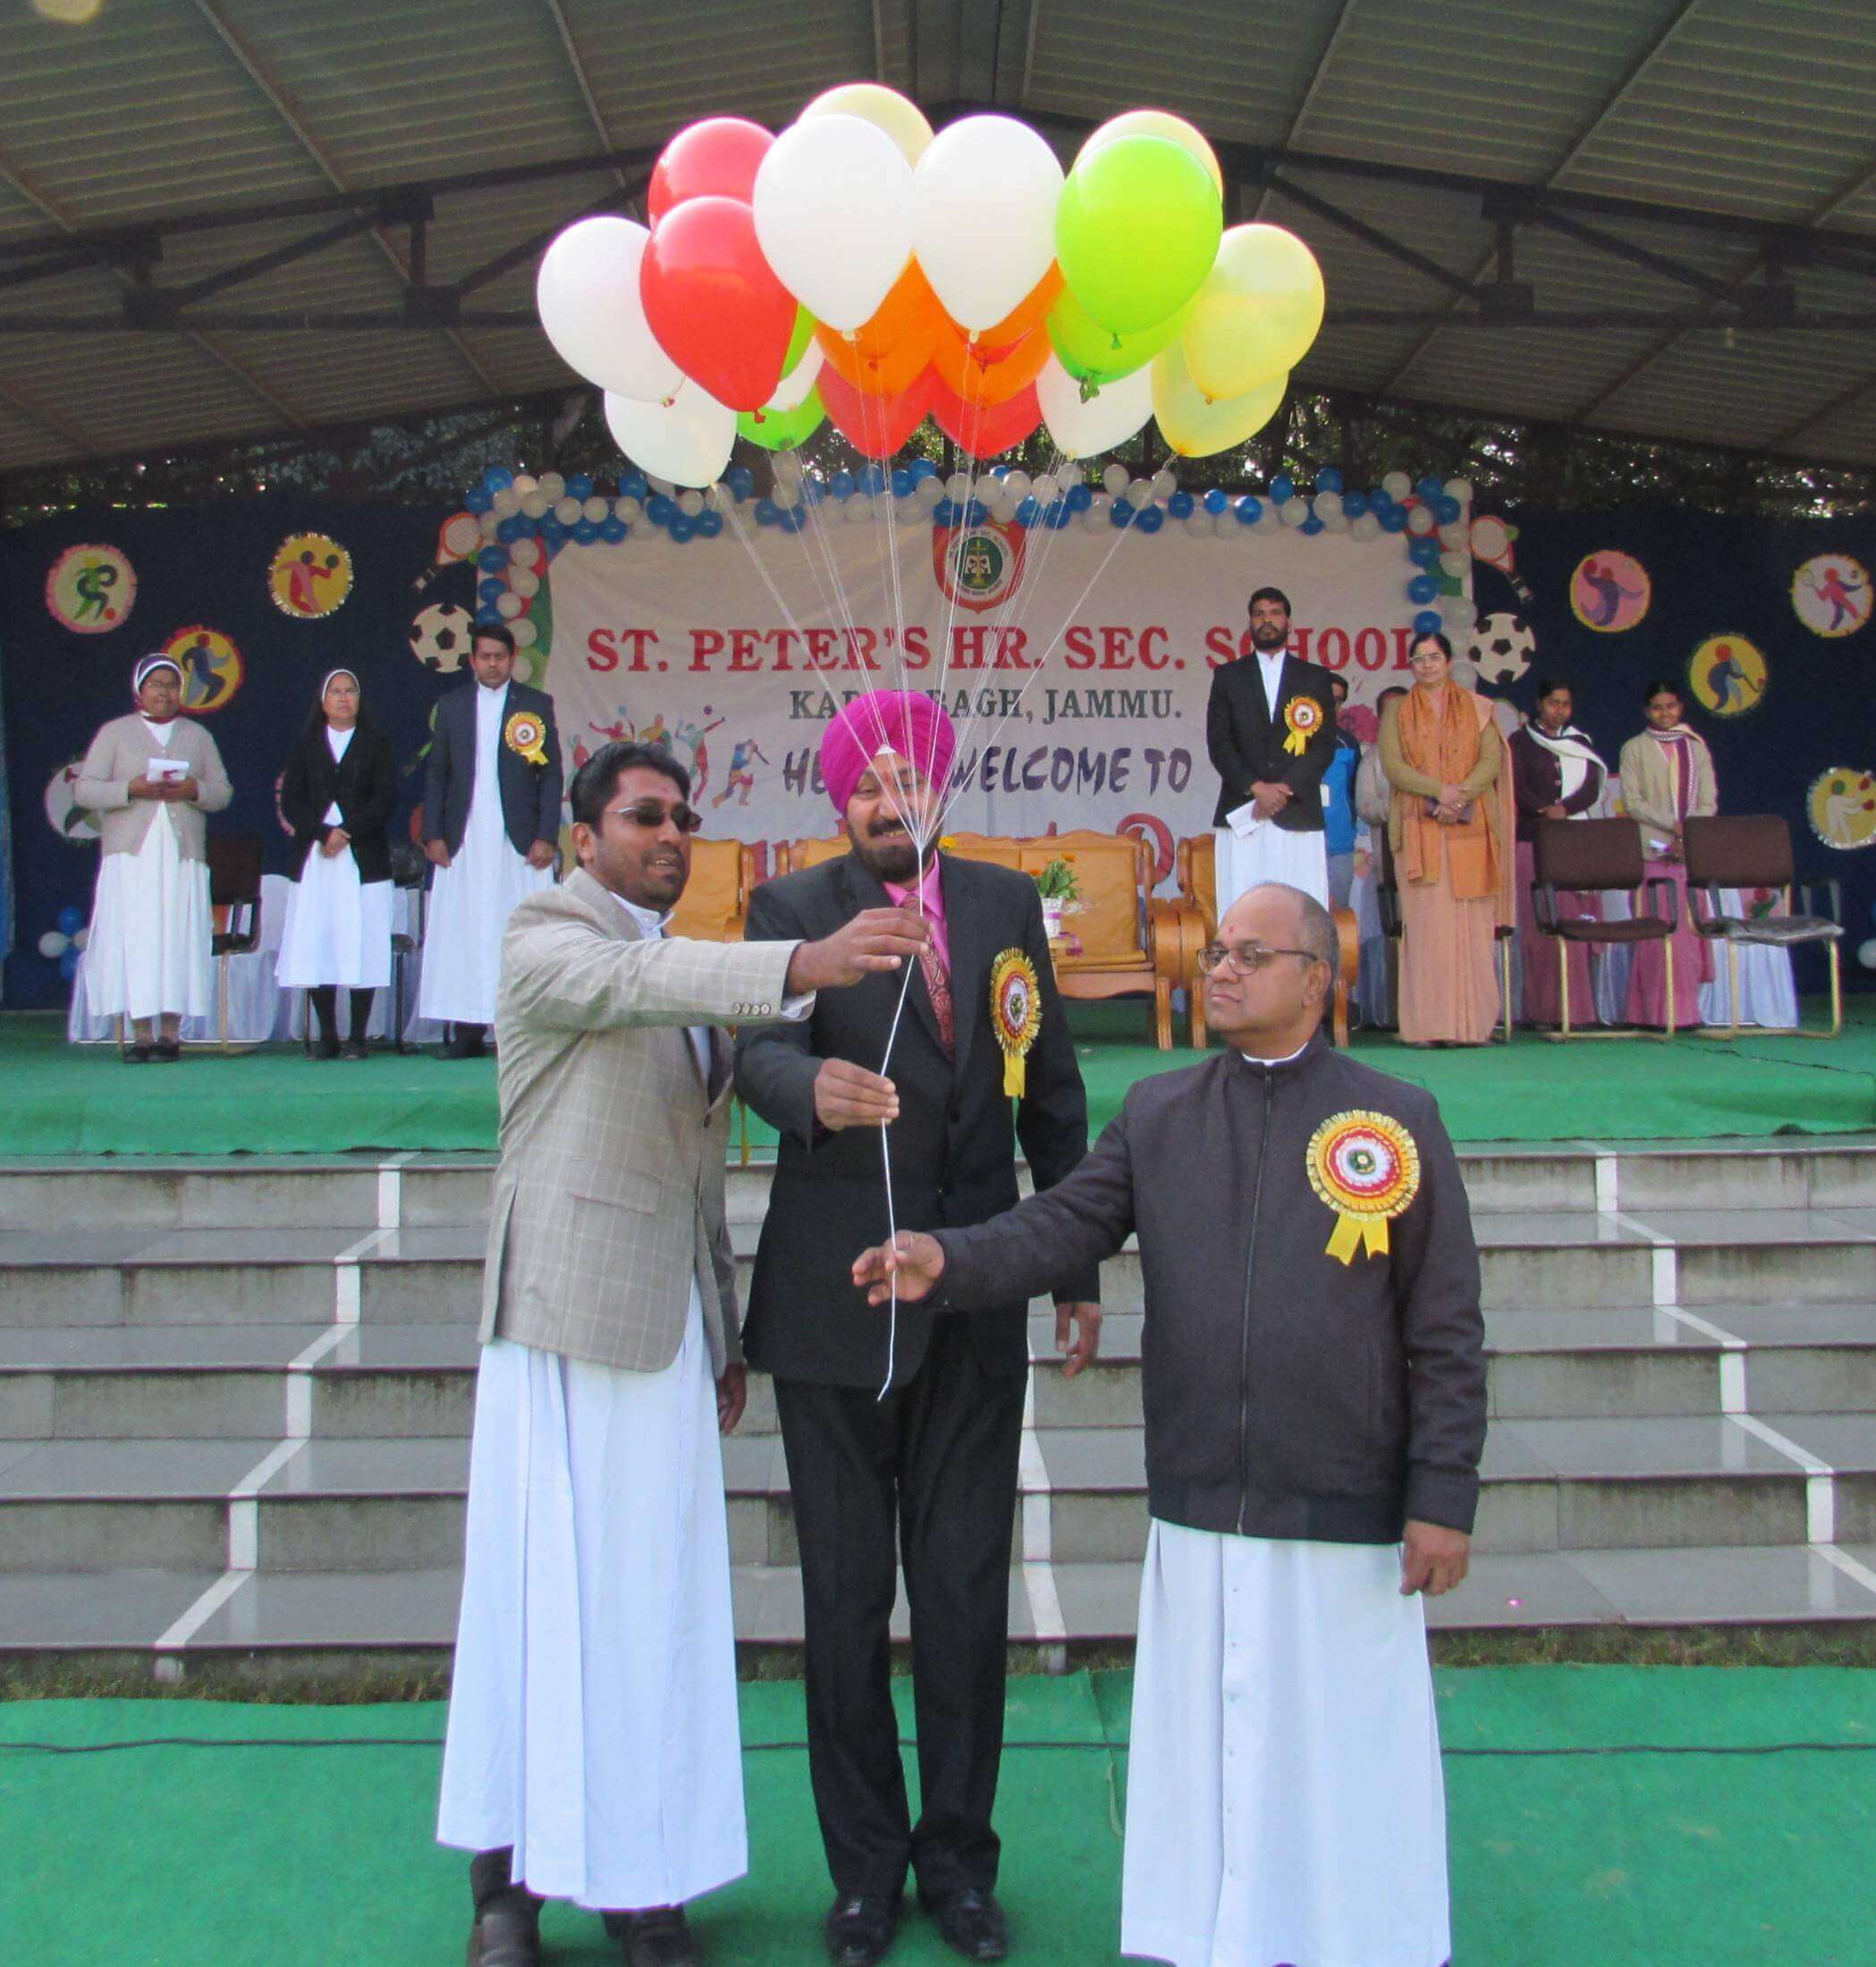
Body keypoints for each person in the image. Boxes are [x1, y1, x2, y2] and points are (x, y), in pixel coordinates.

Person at [853, 880, 1485, 1967]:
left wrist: (1441, 1498)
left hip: (1347, 1505)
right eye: (1216, 951)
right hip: (1200, 1497)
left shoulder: (1399, 1119)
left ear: (1316, 981)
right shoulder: (1158, 1113)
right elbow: (1059, 1227)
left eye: (1250, 953)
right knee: (1209, 1747)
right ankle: (1210, 1936)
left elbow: (1445, 1325)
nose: (1220, 968)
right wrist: (948, 1257)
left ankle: (1361, 1939)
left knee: (1344, 1754)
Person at [436, 739, 931, 1967]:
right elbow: (624, 990)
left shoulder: (668, 966)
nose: (670, 834)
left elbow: (695, 1177)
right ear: (581, 833)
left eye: (684, 818)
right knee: (535, 1606)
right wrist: (803, 964)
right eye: (644, 815)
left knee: (650, 1612)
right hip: (559, 1324)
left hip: (661, 1339)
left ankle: (641, 1881)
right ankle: (508, 1890)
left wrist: (719, 1330)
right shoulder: (543, 933)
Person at [734, 692, 1100, 1967]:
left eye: (906, 781)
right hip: (830, 1305)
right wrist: (810, 1095)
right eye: (861, 787)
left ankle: (957, 1863)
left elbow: (1047, 1085)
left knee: (959, 1596)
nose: (886, 803)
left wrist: (1074, 1269)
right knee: (843, 1603)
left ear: (939, 790)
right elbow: (750, 1050)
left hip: (973, 1300)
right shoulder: (789, 908)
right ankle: (860, 1875)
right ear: (837, 805)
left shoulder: (1000, 908)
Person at [73, 655, 232, 1062]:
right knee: (137, 939)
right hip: (132, 857)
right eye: (156, 684)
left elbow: (223, 792)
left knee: (175, 937)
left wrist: (194, 790)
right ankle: (140, 1034)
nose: (164, 692)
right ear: (139, 690)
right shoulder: (116, 733)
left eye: (171, 684)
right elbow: (85, 790)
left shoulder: (197, 736)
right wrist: (131, 788)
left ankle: (170, 1034)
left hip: (182, 857)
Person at [419, 623, 563, 1057]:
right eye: (485, 656)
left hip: (516, 842)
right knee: (464, 929)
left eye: (500, 656)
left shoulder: (535, 705)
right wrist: (433, 834)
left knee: (515, 929)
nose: (493, 663)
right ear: (472, 660)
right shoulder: (452, 706)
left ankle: (518, 1032)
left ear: (511, 658)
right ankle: (466, 1032)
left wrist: (545, 835)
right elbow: (438, 773)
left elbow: (550, 772)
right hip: (463, 837)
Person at [1379, 631, 1514, 1045]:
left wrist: (1460, 795)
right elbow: (1393, 765)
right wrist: (1440, 792)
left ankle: (1471, 1028)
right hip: (1420, 826)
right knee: (1426, 929)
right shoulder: (1398, 711)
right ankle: (1427, 1028)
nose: (1426, 665)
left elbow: (1490, 760)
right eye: (1418, 659)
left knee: (1470, 927)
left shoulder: (1478, 708)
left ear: (1450, 661)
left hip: (1471, 827)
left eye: (1434, 657)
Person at [276, 669, 398, 1059]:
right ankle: (328, 1034)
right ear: (323, 700)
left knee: (362, 942)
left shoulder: (376, 744)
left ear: (359, 700)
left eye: (350, 692)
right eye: (336, 692)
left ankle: (358, 1036)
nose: (344, 699)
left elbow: (385, 798)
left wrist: (346, 831)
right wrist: (321, 832)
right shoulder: (305, 745)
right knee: (319, 942)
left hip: (363, 858)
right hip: (316, 860)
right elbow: (291, 801)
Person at [1205, 586, 1337, 911]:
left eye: (1275, 613)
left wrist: (1282, 790)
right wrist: (1257, 788)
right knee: (1243, 911)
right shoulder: (1228, 677)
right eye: (1259, 613)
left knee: (1300, 915)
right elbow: (1219, 744)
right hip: (1243, 812)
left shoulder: (1315, 678)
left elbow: (1322, 746)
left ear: (1289, 623)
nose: (1268, 620)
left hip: (1298, 812)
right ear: (1250, 623)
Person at [1508, 678, 1607, 1029]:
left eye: (1565, 704)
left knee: (1574, 926)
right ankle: (1542, 1012)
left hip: (1571, 843)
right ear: (1539, 703)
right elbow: (1514, 787)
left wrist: (1562, 810)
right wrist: (1543, 810)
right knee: (1540, 930)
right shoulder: (1519, 741)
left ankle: (1578, 1013)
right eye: (1553, 703)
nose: (1558, 710)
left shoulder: (1580, 743)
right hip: (1532, 842)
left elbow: (1592, 787)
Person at [1618, 680, 1717, 1029]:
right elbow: (1633, 803)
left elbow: (1708, 803)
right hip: (1652, 852)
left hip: (1689, 853)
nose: (1665, 713)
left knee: (1686, 939)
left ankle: (1686, 1015)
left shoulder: (1696, 748)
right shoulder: (1634, 749)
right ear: (1647, 711)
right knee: (1656, 937)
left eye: (1671, 706)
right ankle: (1648, 1015)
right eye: (1658, 708)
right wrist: (1673, 825)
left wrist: (1687, 834)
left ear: (1681, 708)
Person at [1322, 672, 1361, 909]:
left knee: (1338, 921)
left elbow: (1355, 793)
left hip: (1338, 848)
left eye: (1337, 700)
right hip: (1298, 847)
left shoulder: (1348, 744)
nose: (1331, 704)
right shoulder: (1287, 741)